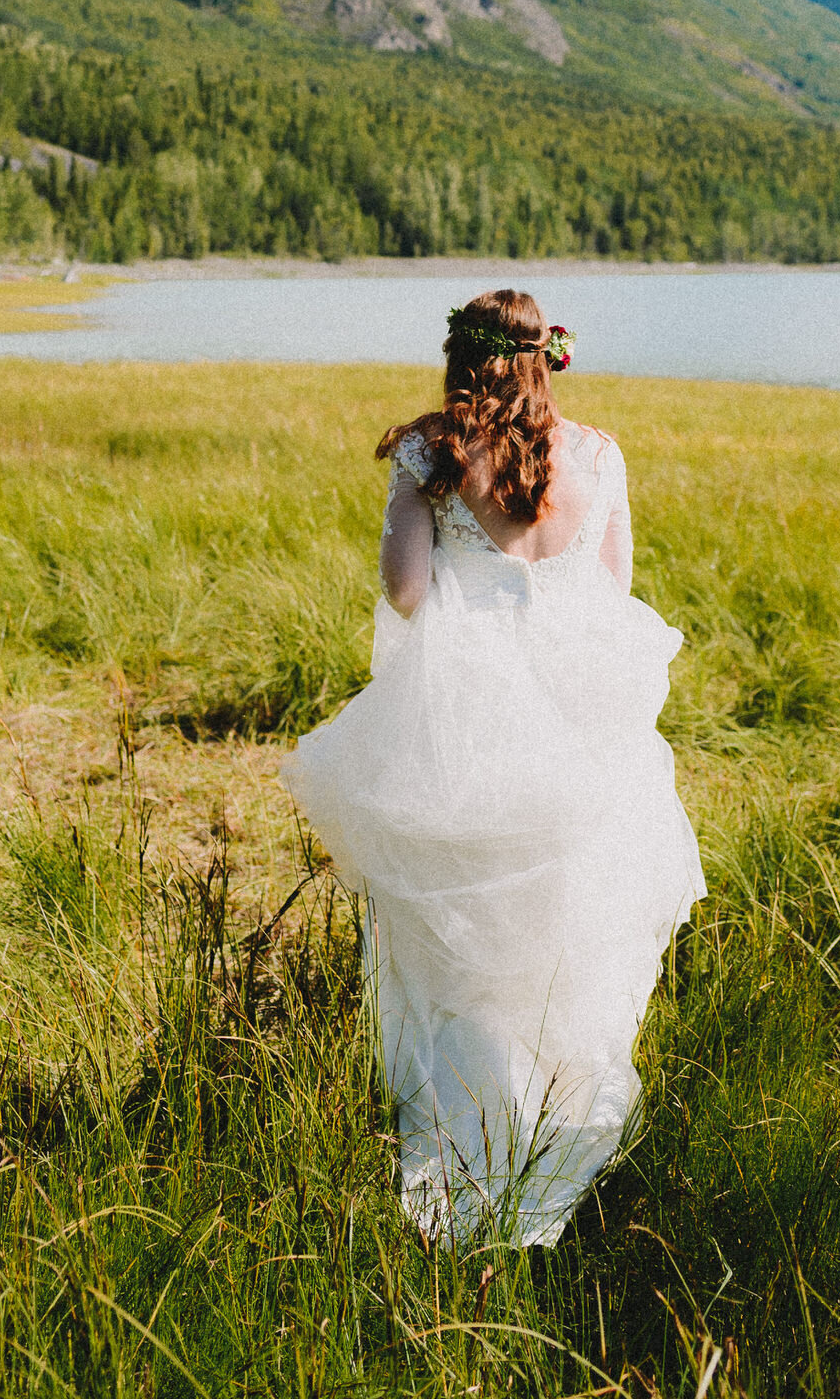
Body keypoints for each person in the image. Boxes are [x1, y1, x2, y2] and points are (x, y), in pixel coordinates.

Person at [281, 288, 703, 1245]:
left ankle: (471, 1128)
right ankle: (553, 1118)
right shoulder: (598, 454)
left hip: (467, 705)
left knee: (459, 924)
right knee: (565, 921)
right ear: (545, 358)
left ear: (461, 360)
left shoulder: (434, 454)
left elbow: (404, 589)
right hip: (575, 704)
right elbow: (613, 588)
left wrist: (417, 504)